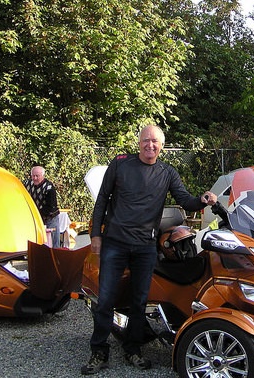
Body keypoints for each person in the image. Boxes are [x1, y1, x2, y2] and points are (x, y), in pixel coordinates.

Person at [81, 124, 217, 375]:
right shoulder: (120, 164)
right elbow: (102, 200)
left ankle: (133, 350)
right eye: (146, 140)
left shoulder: (167, 172)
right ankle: (98, 351)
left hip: (145, 246)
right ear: (139, 143)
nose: (150, 145)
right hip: (115, 242)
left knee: (139, 301)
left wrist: (202, 199)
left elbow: (185, 199)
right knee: (106, 299)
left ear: (162, 146)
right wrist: (95, 235)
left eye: (155, 142)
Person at [23, 165, 61, 248]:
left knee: (53, 243)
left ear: (43, 176)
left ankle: (56, 258)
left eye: (37, 176)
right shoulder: (27, 184)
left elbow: (51, 207)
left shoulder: (49, 187)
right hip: (36, 218)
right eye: (33, 176)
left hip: (50, 218)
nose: (35, 178)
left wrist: (37, 214)